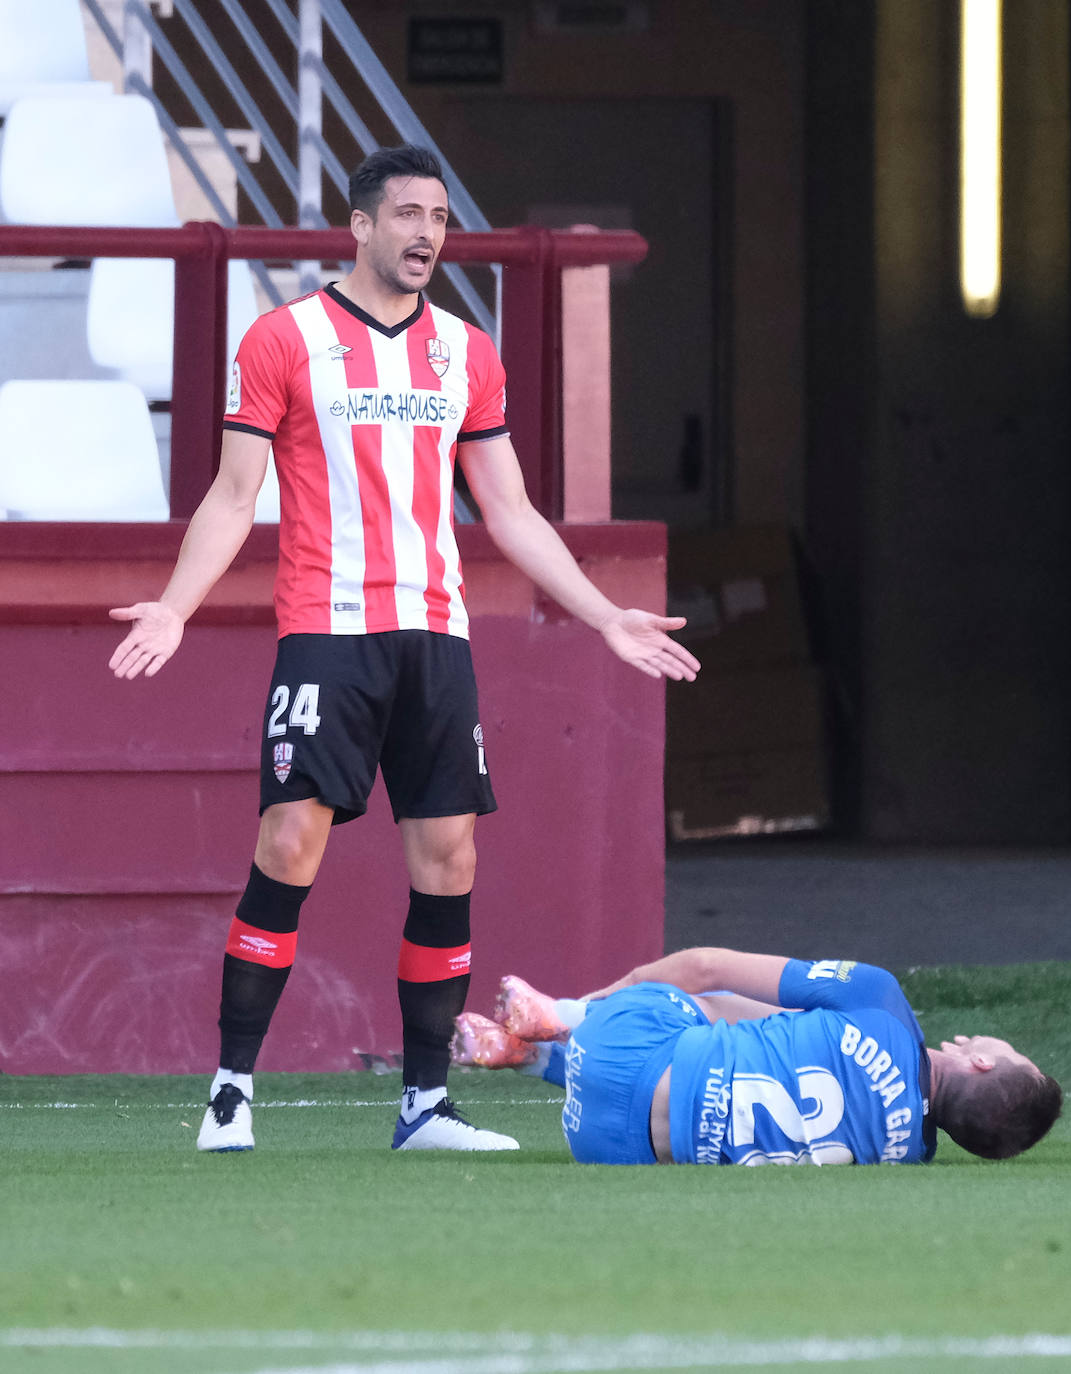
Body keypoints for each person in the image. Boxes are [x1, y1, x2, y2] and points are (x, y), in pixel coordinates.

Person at [108, 144, 700, 1155]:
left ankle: (424, 1105)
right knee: (289, 843)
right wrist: (173, 607)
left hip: (435, 637)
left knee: (448, 859)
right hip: (326, 632)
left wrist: (604, 615)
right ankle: (230, 1093)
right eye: (408, 215)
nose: (427, 233)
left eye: (439, 218)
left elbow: (509, 510)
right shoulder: (285, 338)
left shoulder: (466, 351)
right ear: (361, 224)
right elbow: (235, 496)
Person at [452, 946, 1063, 1165]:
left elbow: (705, 966)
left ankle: (563, 1018)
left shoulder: (880, 999)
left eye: (1013, 1053)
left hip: (627, 1042)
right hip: (606, 1147)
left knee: (708, 1004)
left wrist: (610, 996)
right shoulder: (907, 1154)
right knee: (752, 1037)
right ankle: (531, 1058)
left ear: (983, 1062)